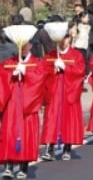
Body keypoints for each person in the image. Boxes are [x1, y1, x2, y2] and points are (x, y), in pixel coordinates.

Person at [0, 37, 46, 179]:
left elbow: (40, 79)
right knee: (9, 133)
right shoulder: (9, 62)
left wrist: (27, 73)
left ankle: (23, 166)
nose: (23, 47)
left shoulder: (37, 63)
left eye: (26, 44)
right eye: (20, 44)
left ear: (31, 45)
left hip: (28, 106)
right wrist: (10, 75)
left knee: (26, 134)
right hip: (12, 105)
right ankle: (8, 166)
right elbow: (2, 77)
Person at [41, 32, 85, 161]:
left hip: (68, 92)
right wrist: (52, 69)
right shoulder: (50, 55)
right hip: (54, 92)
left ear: (69, 39)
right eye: (61, 38)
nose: (63, 41)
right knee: (51, 119)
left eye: (66, 38)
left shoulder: (76, 55)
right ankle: (50, 148)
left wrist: (66, 68)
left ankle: (67, 147)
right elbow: (43, 72)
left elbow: (80, 72)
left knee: (68, 119)